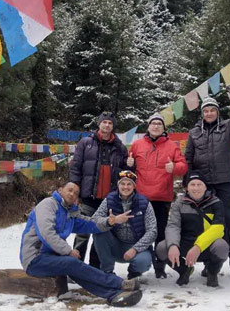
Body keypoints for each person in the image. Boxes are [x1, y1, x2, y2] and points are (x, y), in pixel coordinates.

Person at [19, 182, 143, 307]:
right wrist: (68, 251)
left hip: (53, 257)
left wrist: (110, 221)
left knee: (76, 268)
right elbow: (46, 233)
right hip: (35, 259)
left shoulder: (69, 213)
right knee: (71, 263)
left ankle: (114, 295)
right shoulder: (48, 205)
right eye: (70, 190)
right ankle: (119, 283)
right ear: (60, 190)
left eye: (76, 193)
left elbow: (89, 223)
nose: (72, 194)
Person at [184, 92, 230, 281]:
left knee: (229, 223)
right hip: (202, 186)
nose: (209, 113)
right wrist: (189, 182)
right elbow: (188, 158)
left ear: (218, 112)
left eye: (213, 110)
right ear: (202, 113)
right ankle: (209, 264)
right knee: (205, 224)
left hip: (224, 183)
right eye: (206, 110)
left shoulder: (228, 126)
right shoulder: (194, 132)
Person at [126, 114, 187, 278]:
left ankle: (160, 269)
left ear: (163, 128)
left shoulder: (172, 146)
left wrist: (174, 167)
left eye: (159, 124)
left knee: (160, 234)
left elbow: (183, 166)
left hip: (162, 197)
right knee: (140, 233)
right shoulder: (137, 145)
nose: (156, 126)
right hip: (140, 198)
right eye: (153, 123)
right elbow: (127, 165)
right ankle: (136, 269)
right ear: (148, 126)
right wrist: (128, 164)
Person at [70, 112, 129, 269]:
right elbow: (75, 167)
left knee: (101, 234)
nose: (107, 125)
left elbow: (126, 174)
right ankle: (75, 267)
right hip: (88, 197)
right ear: (99, 124)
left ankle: (95, 268)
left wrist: (130, 165)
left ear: (113, 126)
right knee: (82, 234)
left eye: (110, 123)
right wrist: (74, 191)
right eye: (104, 122)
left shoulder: (120, 147)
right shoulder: (85, 143)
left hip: (108, 201)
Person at [154, 173, 228, 287]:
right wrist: (173, 245)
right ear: (187, 188)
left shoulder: (216, 203)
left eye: (199, 184)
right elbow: (173, 226)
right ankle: (184, 270)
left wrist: (198, 247)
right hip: (185, 244)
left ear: (205, 187)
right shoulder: (179, 203)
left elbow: (218, 229)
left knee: (221, 246)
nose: (196, 188)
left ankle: (212, 272)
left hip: (206, 245)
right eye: (192, 184)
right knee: (162, 248)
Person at [93, 171, 157, 279]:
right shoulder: (109, 200)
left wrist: (135, 249)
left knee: (143, 262)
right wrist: (111, 221)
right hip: (115, 245)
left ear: (134, 186)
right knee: (99, 232)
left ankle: (133, 272)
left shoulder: (144, 202)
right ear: (118, 185)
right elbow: (94, 220)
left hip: (135, 246)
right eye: (122, 184)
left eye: (129, 184)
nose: (125, 187)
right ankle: (107, 271)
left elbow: (152, 231)